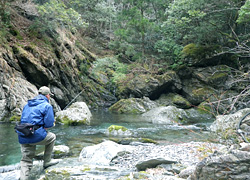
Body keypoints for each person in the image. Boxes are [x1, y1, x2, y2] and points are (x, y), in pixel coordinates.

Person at [17, 86, 59, 180]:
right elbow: (48, 124)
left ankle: (23, 178)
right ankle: (47, 161)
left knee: (26, 159)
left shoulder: (27, 105)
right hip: (36, 135)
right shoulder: (47, 106)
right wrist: (52, 123)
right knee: (52, 137)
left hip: (23, 134)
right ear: (47, 96)